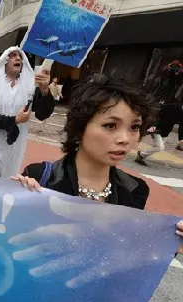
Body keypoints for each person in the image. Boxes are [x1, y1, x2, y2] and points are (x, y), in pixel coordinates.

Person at [13, 74, 183, 251]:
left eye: (134, 127)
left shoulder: (135, 190)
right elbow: (11, 243)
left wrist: (169, 244)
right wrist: (11, 203)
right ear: (80, 128)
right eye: (110, 125)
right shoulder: (40, 178)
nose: (125, 139)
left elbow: (126, 253)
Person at [0, 46, 55, 178]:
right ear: (4, 61)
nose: (18, 58)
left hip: (16, 149)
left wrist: (44, 91)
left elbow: (42, 114)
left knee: (6, 188)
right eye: (13, 55)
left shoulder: (31, 88)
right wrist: (15, 120)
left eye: (20, 56)